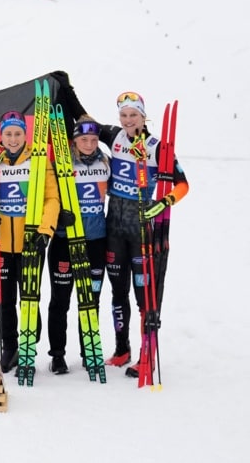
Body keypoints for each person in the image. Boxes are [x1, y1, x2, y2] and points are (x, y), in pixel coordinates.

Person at [96, 92, 188, 369]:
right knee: (117, 292)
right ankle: (122, 349)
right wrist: (63, 88)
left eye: (133, 115)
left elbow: (183, 185)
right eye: (123, 115)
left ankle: (145, 355)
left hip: (141, 233)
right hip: (114, 228)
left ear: (143, 116)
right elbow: (83, 120)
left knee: (143, 296)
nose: (127, 120)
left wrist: (161, 204)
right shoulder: (114, 137)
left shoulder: (157, 147)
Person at [0, 111, 60, 373]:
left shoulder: (38, 161)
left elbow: (52, 199)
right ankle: (9, 347)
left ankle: (28, 346)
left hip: (30, 242)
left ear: (26, 134)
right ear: (1, 137)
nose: (13, 139)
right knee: (5, 299)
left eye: (18, 134)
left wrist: (45, 231)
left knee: (29, 298)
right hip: (1, 243)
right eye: (8, 134)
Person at [45, 115, 109, 375]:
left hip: (95, 241)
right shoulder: (61, 163)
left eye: (94, 139)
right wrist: (58, 217)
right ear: (74, 140)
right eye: (84, 139)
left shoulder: (106, 164)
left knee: (90, 299)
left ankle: (89, 351)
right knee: (60, 301)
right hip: (64, 240)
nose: (90, 144)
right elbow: (46, 196)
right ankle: (57, 355)